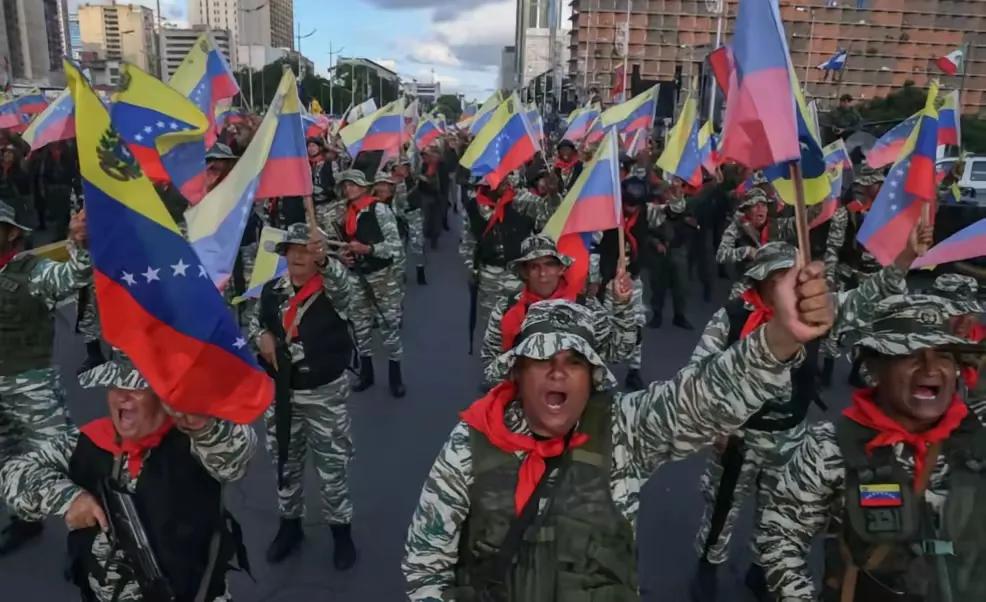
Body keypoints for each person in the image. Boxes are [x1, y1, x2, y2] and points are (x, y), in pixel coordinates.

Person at [402, 251, 837, 600]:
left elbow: (697, 400)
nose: (558, 372)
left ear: (593, 378)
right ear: (516, 373)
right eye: (542, 359)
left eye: (575, 361)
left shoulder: (623, 430)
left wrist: (780, 337)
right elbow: (425, 566)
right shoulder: (470, 442)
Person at [689, 223, 928, 602]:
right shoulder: (732, 318)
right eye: (780, 279)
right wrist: (714, 423)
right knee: (722, 508)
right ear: (762, 281)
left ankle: (760, 571)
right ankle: (707, 567)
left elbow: (866, 296)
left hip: (791, 438)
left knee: (776, 514)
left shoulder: (816, 313)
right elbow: (697, 374)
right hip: (739, 437)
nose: (792, 288)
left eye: (795, 278)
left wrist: (906, 256)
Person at [757, 294, 986, 602]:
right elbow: (781, 537)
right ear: (874, 369)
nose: (930, 368)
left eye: (944, 355)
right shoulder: (831, 447)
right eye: (910, 354)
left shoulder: (977, 437)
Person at [0, 357, 256, 601]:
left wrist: (202, 423)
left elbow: (234, 453)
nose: (122, 396)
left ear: (163, 397)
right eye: (115, 385)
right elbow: (12, 473)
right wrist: (68, 498)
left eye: (136, 388)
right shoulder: (90, 441)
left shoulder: (196, 443)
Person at [247, 222, 360, 568]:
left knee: (332, 467)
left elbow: (347, 292)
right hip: (283, 393)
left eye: (305, 251)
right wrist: (261, 337)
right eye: (291, 251)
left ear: (317, 256)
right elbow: (254, 322)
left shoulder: (333, 288)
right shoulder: (272, 290)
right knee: (285, 461)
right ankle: (289, 525)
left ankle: (341, 532)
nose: (297, 256)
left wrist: (325, 259)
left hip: (324, 393)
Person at [0, 200, 90, 555]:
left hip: (32, 386)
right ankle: (26, 518)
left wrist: (80, 243)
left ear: (11, 233)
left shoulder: (33, 273)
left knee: (62, 462)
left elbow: (73, 277)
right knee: (10, 461)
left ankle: (91, 539)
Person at [479, 234, 638, 383]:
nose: (543, 273)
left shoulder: (586, 307)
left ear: (561, 268)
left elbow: (618, 352)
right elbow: (490, 360)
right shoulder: (506, 309)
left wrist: (622, 305)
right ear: (525, 272)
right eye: (534, 266)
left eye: (549, 264)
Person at [460, 173, 561, 346]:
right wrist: (472, 269)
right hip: (489, 277)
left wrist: (552, 195)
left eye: (506, 179)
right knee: (492, 325)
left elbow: (547, 214)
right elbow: (468, 242)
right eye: (501, 181)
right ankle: (497, 357)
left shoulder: (520, 200)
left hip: (518, 275)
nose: (506, 183)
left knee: (522, 323)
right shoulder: (473, 207)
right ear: (487, 184)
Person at [335, 169, 407, 397]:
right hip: (355, 276)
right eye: (346, 185)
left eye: (353, 185)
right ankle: (366, 374)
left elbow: (395, 247)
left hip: (382, 277)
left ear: (365, 187)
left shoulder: (379, 209)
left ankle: (396, 378)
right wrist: (342, 256)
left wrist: (368, 249)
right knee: (360, 326)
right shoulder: (343, 213)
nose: (349, 189)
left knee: (389, 327)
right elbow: (338, 244)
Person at [596, 176, 663, 390]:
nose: (631, 207)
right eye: (628, 202)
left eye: (636, 204)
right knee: (604, 325)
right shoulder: (607, 215)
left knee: (636, 325)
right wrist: (594, 279)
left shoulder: (646, 213)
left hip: (632, 280)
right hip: (608, 281)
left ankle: (634, 370)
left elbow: (672, 212)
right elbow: (594, 246)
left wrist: (676, 197)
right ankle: (599, 373)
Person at [716, 187, 796, 298]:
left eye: (763, 205)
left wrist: (818, 207)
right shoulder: (735, 229)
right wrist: (746, 251)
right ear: (747, 210)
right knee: (736, 303)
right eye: (755, 206)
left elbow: (799, 222)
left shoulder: (775, 225)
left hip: (773, 278)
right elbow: (721, 255)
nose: (760, 209)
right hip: (748, 281)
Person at [649, 182, 699, 330]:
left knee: (681, 286)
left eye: (677, 192)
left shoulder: (687, 208)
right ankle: (657, 315)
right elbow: (647, 231)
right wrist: (656, 243)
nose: (673, 195)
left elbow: (694, 227)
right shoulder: (656, 209)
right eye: (671, 192)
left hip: (679, 251)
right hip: (660, 253)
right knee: (658, 286)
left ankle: (680, 316)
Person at [395, 156, 427, 285]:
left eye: (405, 166)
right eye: (400, 167)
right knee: (400, 246)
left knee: (417, 243)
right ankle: (401, 274)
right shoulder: (391, 183)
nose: (402, 169)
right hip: (398, 217)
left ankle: (420, 271)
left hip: (414, 214)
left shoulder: (414, 179)